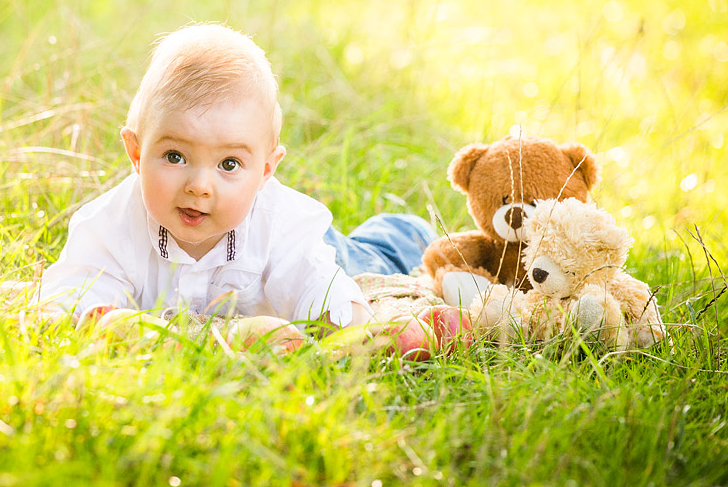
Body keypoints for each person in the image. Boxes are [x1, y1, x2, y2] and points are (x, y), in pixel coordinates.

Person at [37, 24, 437, 348]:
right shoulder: (110, 223)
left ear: (265, 172)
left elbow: (320, 287)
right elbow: (75, 291)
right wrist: (106, 319)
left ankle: (407, 231)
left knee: (369, 261)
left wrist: (349, 328)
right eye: (175, 156)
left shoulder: (281, 226)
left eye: (229, 164)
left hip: (330, 249)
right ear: (136, 152)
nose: (199, 186)